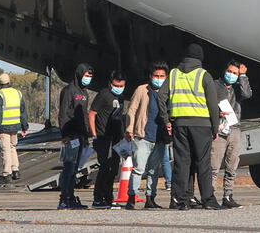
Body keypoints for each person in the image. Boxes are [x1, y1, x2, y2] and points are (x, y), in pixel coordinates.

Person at [158, 43, 221, 210]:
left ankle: (181, 200)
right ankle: (208, 199)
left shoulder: (173, 74)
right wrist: (215, 128)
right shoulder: (203, 75)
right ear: (200, 58)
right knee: (203, 163)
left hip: (180, 124)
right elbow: (213, 105)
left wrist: (166, 119)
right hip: (202, 125)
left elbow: (161, 97)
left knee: (182, 163)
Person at [124, 61, 170, 210]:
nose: (159, 78)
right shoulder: (142, 90)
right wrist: (129, 129)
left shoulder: (168, 91)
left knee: (154, 170)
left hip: (160, 137)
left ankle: (151, 197)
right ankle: (131, 196)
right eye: (156, 75)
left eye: (162, 76)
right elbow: (132, 109)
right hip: (143, 136)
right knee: (138, 169)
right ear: (150, 76)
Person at [211, 60, 253, 208]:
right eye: (230, 72)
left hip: (234, 128)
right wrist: (216, 114)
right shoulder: (215, 85)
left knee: (232, 164)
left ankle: (228, 196)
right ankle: (210, 195)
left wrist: (243, 76)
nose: (231, 75)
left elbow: (247, 94)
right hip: (219, 128)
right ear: (224, 71)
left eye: (235, 73)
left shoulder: (237, 88)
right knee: (214, 164)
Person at [57, 63, 94, 210]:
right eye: (86, 75)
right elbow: (63, 114)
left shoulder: (84, 93)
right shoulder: (69, 90)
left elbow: (84, 115)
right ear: (79, 74)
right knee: (69, 168)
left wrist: (86, 136)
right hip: (70, 135)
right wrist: (65, 135)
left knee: (75, 170)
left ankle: (71, 197)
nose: (88, 78)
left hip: (80, 135)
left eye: (90, 76)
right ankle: (64, 198)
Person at [89, 70, 127, 209]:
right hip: (103, 136)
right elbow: (92, 114)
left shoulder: (121, 96)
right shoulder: (103, 95)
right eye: (116, 85)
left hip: (116, 136)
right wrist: (94, 134)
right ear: (111, 83)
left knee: (114, 169)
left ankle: (108, 197)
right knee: (104, 167)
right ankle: (98, 198)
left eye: (121, 85)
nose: (118, 88)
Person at [0, 73, 29, 184]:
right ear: (9, 81)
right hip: (16, 125)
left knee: (6, 150)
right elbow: (23, 111)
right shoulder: (18, 93)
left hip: (4, 127)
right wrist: (24, 126)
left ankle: (6, 174)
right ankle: (15, 170)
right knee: (13, 147)